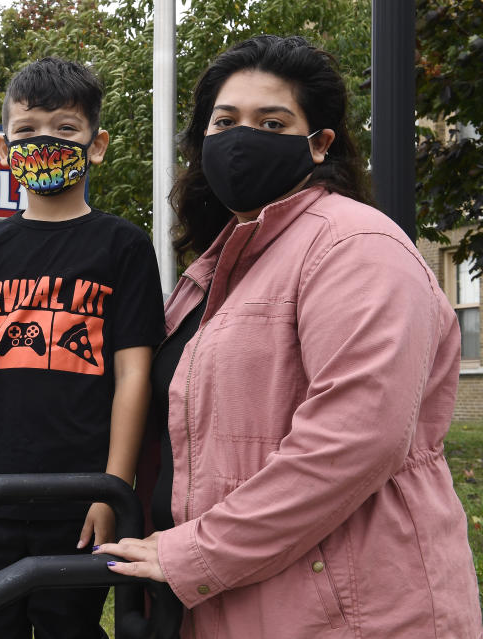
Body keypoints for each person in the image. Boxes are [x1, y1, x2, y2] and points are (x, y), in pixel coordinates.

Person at [96, 35, 483, 638]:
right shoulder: (222, 265)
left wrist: (196, 553)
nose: (242, 137)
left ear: (320, 143)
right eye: (225, 122)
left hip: (349, 609)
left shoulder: (355, 247)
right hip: (238, 600)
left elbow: (355, 436)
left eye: (271, 122)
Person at [0, 56, 165, 639]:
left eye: (64, 129)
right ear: (4, 149)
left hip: (80, 497)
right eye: (27, 131)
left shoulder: (123, 248)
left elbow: (134, 377)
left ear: (97, 143)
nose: (44, 143)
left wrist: (114, 488)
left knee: (71, 628)